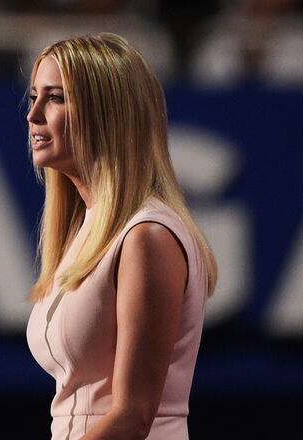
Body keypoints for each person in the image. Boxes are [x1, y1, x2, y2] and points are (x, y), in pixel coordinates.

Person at [25, 33, 218, 440]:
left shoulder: (148, 236)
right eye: (34, 96)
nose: (34, 115)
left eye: (56, 97)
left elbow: (133, 415)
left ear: (106, 113)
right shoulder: (87, 230)